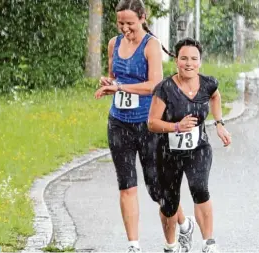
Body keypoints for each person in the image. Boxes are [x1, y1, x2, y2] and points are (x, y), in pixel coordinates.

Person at [94, 1, 195, 252]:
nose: (125, 28)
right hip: (118, 123)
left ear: (142, 18)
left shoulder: (150, 45)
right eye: (121, 23)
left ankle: (183, 223)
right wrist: (110, 82)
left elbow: (154, 85)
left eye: (130, 23)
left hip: (148, 124)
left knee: (156, 188)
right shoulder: (113, 44)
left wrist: (120, 87)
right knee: (126, 185)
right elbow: (115, 76)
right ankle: (133, 245)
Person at [148, 37, 232, 253]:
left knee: (199, 188)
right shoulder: (164, 88)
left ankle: (208, 243)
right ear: (176, 60)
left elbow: (215, 96)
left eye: (194, 59)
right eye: (184, 58)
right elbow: (152, 123)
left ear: (200, 62)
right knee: (169, 203)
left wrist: (219, 123)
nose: (189, 63)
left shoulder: (208, 83)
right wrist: (176, 127)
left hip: (198, 148)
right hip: (168, 151)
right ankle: (171, 245)